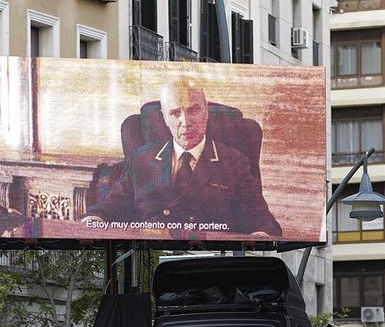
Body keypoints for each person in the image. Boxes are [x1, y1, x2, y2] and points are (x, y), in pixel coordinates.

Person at [83, 79, 282, 237]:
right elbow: (106, 209)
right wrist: (93, 219)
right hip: (151, 252)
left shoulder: (234, 162)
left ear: (206, 112)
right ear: (165, 118)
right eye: (175, 113)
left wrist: (260, 237)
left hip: (211, 257)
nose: (185, 122)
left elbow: (261, 219)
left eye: (193, 110)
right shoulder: (142, 160)